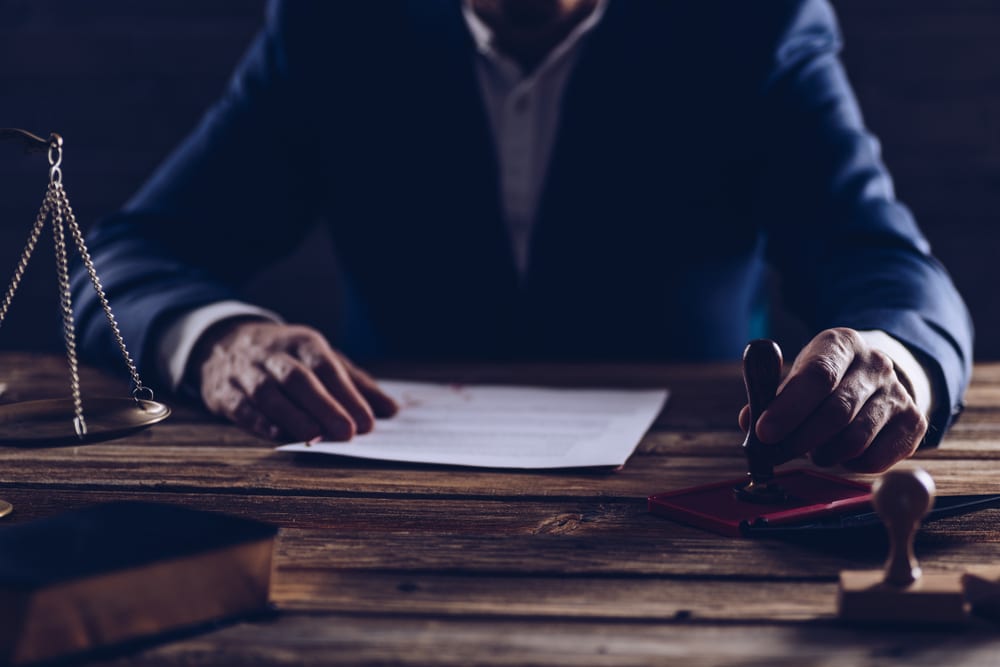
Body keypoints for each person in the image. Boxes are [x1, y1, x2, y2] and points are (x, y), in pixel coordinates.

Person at [71, 0, 973, 473]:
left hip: (681, 499)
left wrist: (897, 358)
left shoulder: (751, 22)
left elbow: (883, 261)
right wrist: (221, 338)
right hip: (377, 493)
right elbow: (127, 258)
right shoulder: (333, 26)